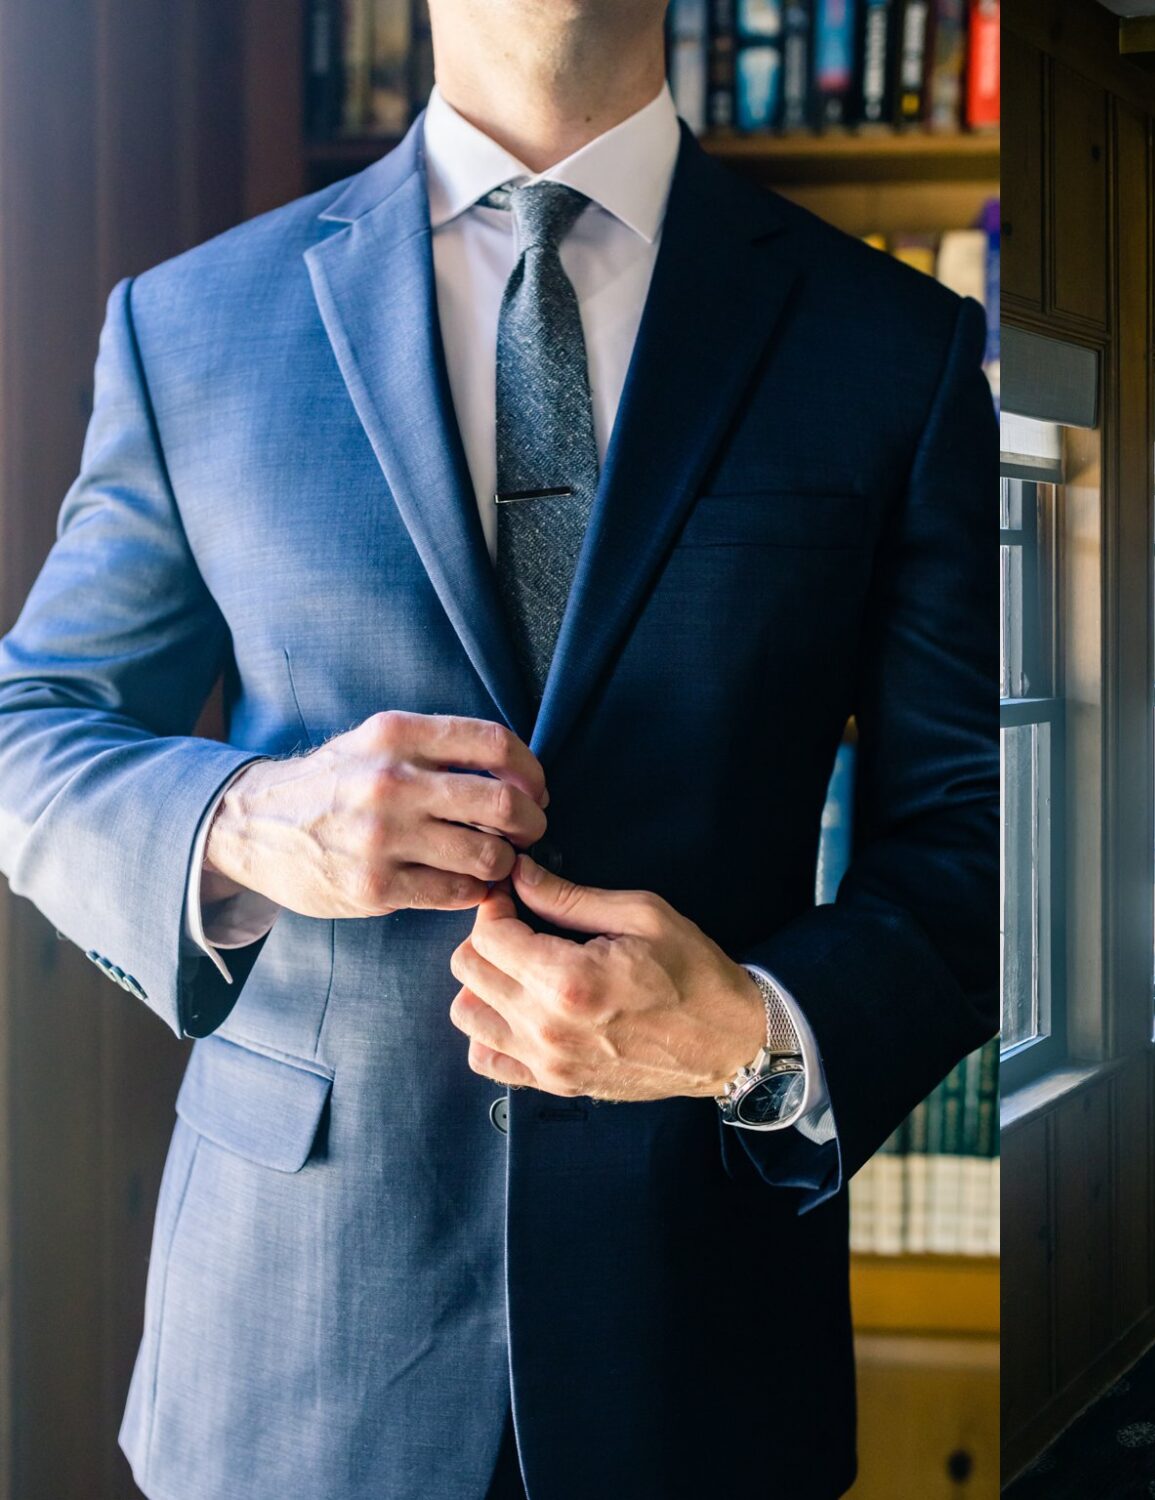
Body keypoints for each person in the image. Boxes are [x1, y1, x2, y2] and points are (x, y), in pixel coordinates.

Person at [0, 0, 997, 1495]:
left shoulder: (899, 348)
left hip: (704, 1332)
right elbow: (31, 734)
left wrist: (750, 1035)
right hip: (291, 1346)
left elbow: (987, 832)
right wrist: (253, 825)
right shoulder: (187, 324)